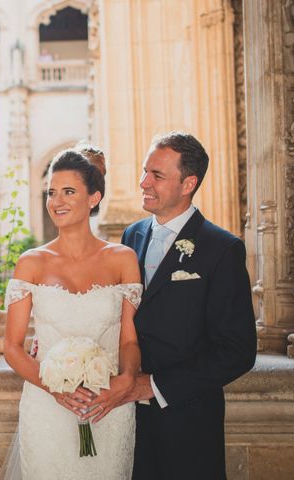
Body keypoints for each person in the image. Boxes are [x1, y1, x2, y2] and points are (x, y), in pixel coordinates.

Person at [113, 131, 257, 479]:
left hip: (187, 421)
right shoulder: (130, 237)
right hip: (127, 419)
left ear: (188, 183)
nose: (143, 182)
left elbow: (238, 351)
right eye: (145, 171)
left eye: (157, 175)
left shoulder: (221, 249)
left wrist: (154, 385)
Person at [2, 148, 142, 479]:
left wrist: (126, 380)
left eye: (68, 191)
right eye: (51, 192)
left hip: (108, 404)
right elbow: (12, 346)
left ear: (93, 198)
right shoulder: (31, 262)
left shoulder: (123, 259)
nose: (56, 201)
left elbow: (129, 339)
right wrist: (55, 389)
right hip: (47, 408)